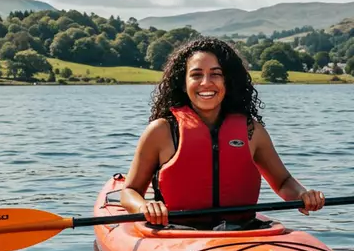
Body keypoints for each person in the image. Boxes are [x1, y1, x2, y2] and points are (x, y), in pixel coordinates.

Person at [120, 36, 325, 227]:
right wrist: (144, 206)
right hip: (178, 232)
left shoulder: (251, 131)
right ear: (184, 84)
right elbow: (130, 191)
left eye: (216, 74)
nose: (206, 83)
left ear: (228, 81)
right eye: (196, 75)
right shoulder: (161, 131)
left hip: (242, 231)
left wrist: (302, 195)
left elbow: (283, 182)